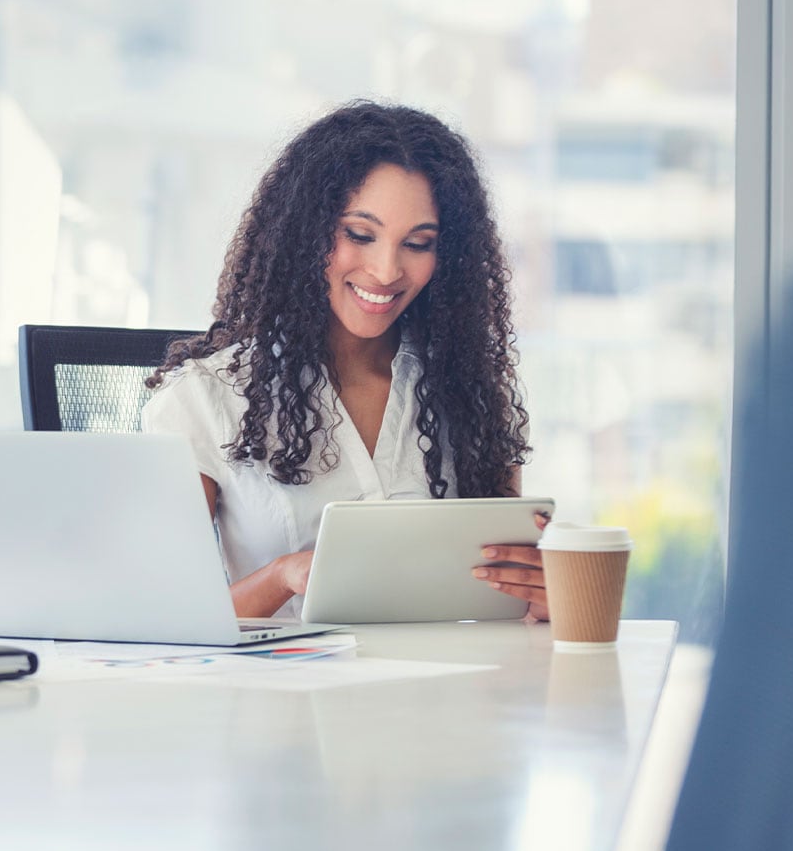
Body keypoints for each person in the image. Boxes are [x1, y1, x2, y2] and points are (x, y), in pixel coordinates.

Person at [141, 101, 549, 620]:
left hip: (444, 693)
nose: (386, 270)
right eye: (359, 235)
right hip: (282, 695)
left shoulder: (472, 392)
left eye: (418, 244)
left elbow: (504, 598)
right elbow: (163, 621)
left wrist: (542, 596)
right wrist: (282, 577)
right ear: (303, 232)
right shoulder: (204, 397)